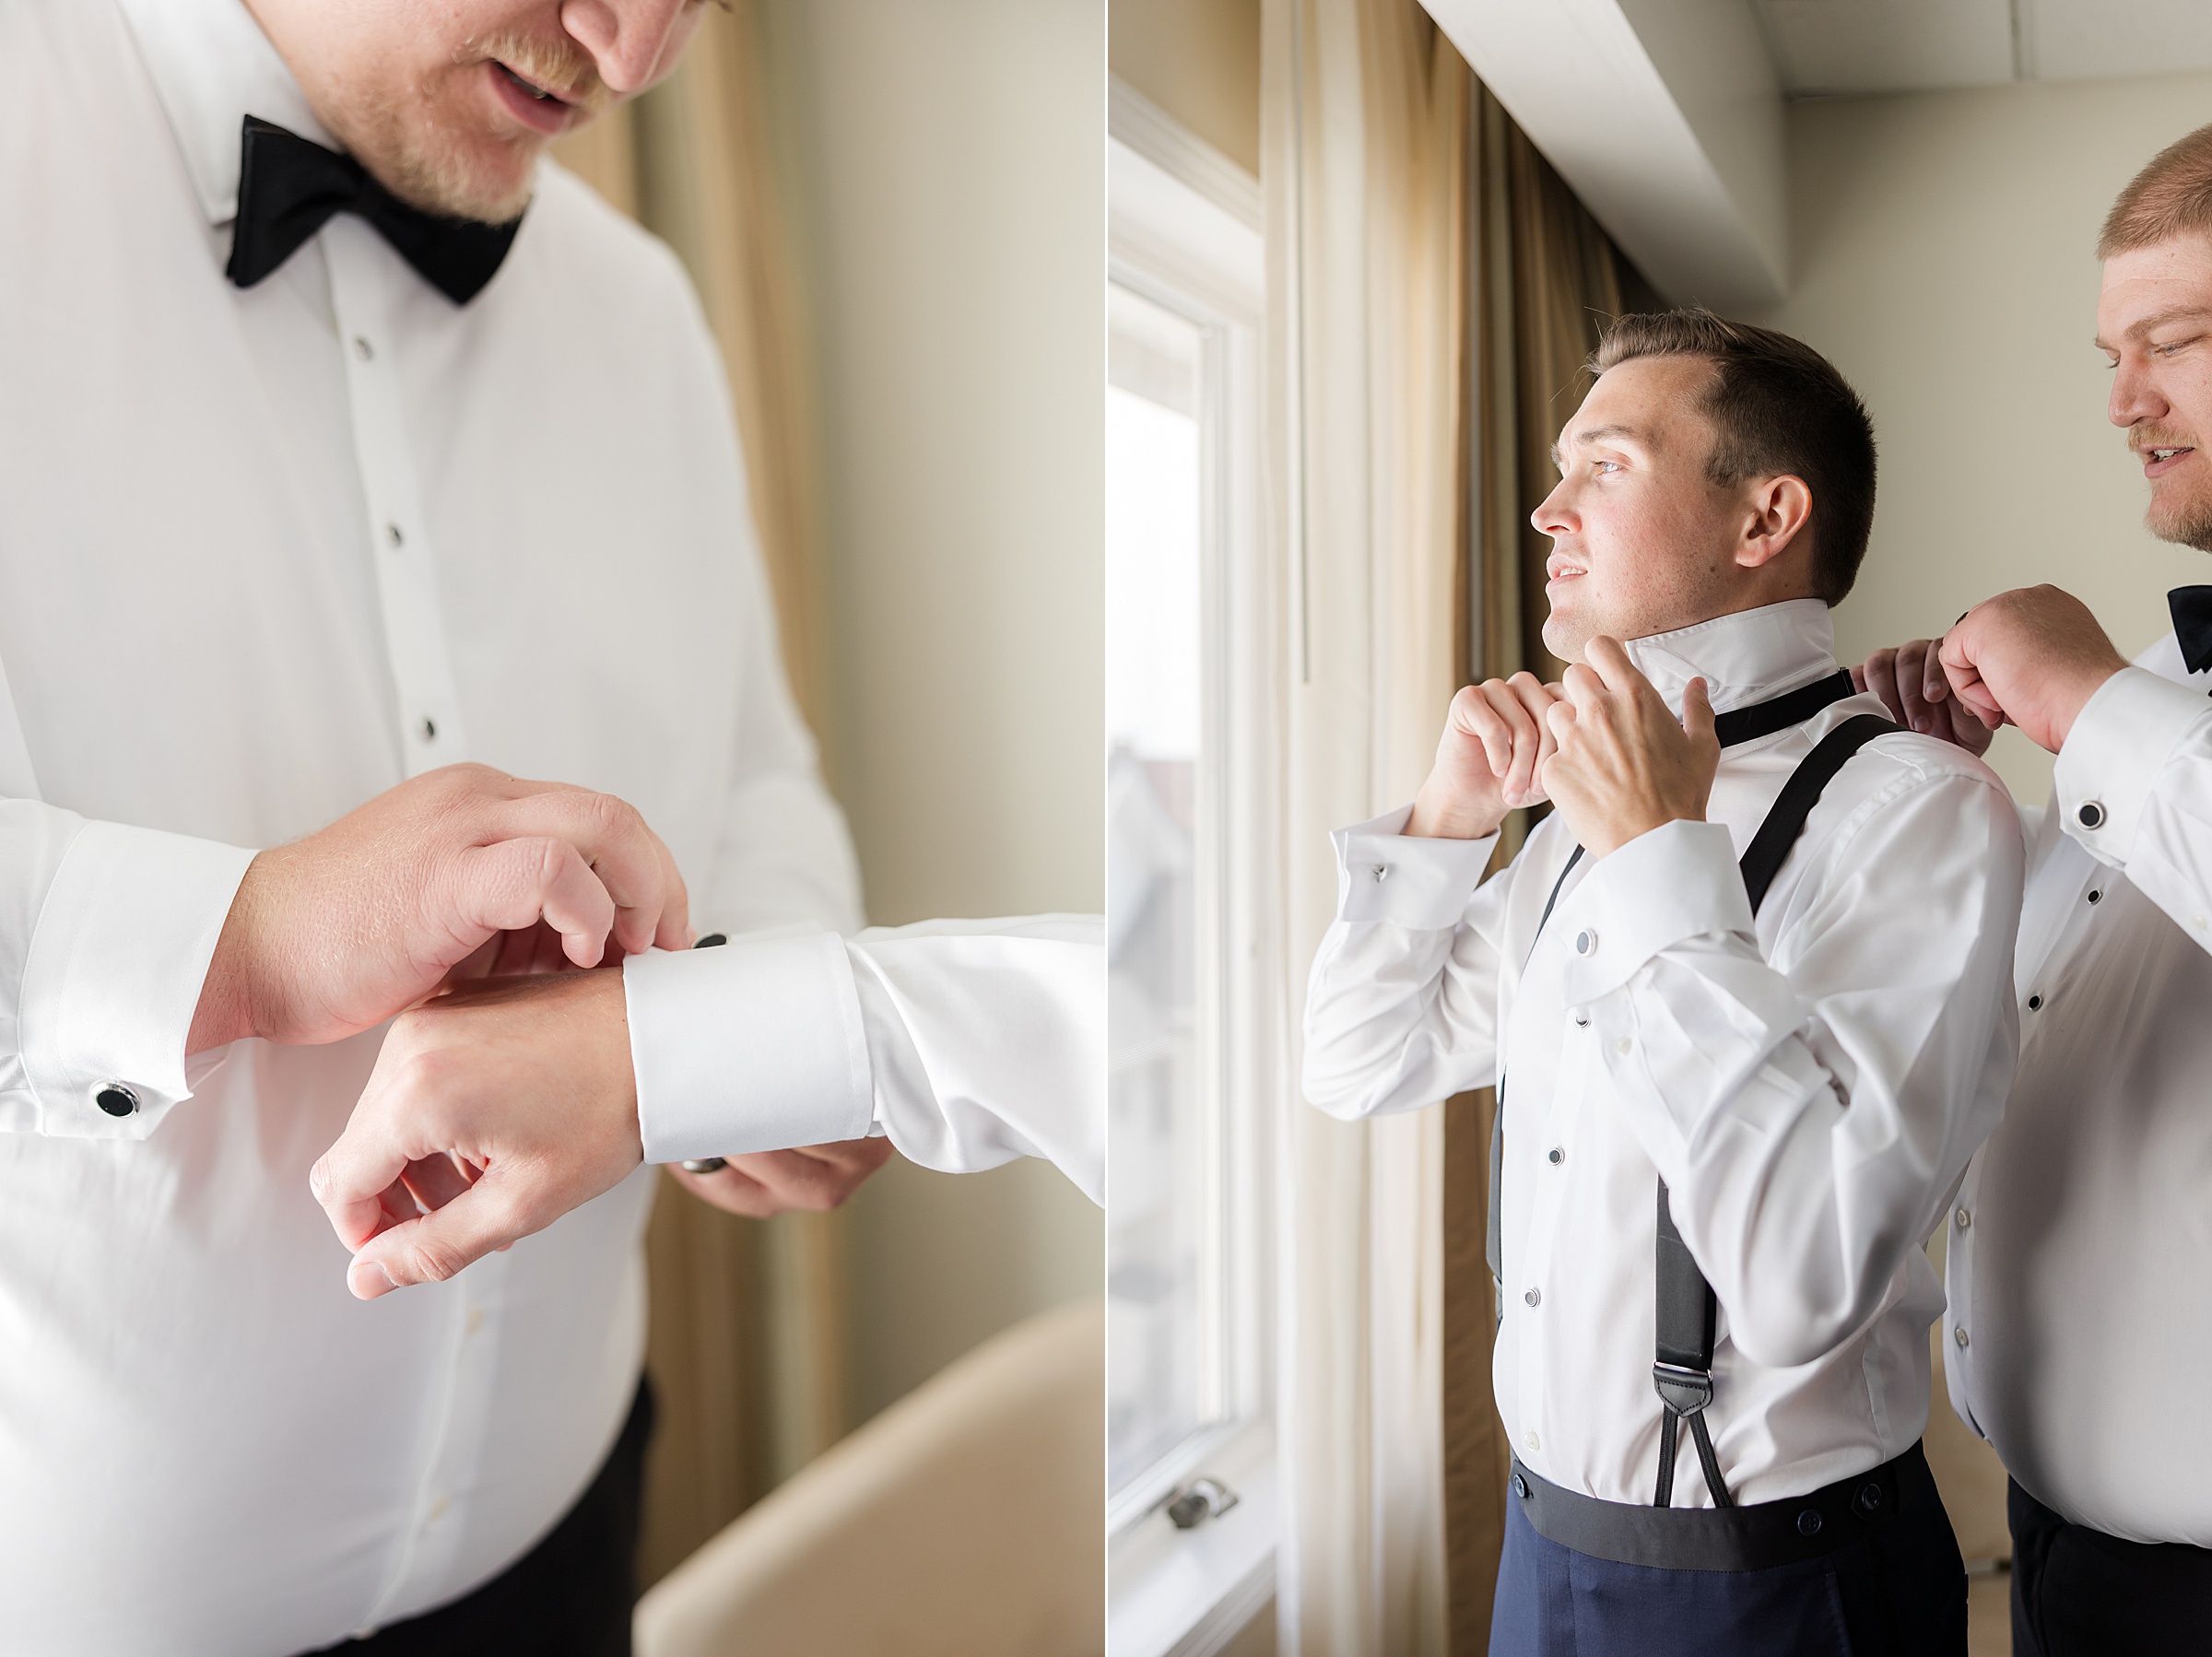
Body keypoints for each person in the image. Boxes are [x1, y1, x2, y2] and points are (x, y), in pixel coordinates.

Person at [0, 3, 1096, 1653]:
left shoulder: (642, 312)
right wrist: (254, 937)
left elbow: (758, 773)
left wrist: (753, 1024)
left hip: (562, 1538)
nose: (640, 51)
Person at [1302, 311, 2023, 1654]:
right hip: (1539, 1553)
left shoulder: (1921, 812)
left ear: (1765, 518)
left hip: (1774, 1587)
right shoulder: (1570, 815)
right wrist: (1450, 817)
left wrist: (1658, 858)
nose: (1545, 508)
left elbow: (1807, 1276)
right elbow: (1356, 1060)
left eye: (1605, 466)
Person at [1853, 123, 2212, 1657]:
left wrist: (2081, 700)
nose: (2123, 401)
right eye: (2109, 353)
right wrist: (1978, 814)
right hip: (2066, 1562)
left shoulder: (2127, 709)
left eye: (2173, 343)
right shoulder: (2154, 698)